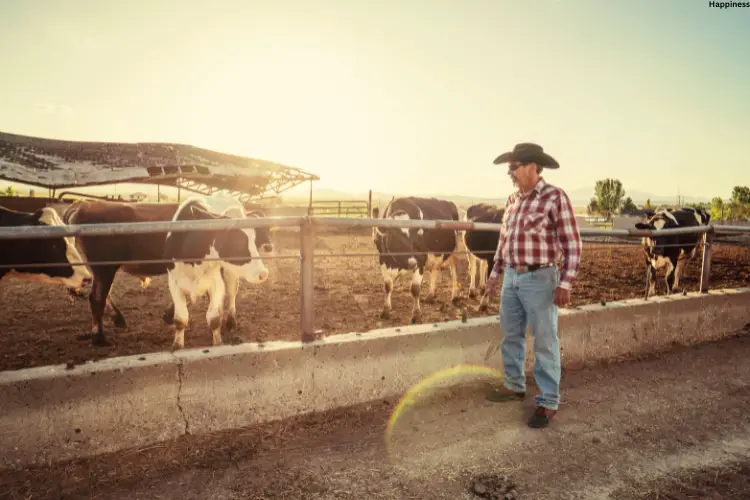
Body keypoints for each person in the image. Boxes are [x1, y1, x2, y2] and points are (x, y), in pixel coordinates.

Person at [484, 142, 582, 429]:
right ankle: (514, 385)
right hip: (512, 277)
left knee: (544, 340)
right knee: (511, 334)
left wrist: (566, 282)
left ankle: (548, 400)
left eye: (513, 168)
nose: (510, 174)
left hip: (541, 278)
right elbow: (504, 241)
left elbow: (572, 243)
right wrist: (495, 274)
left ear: (531, 166)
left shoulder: (555, 197)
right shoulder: (512, 200)